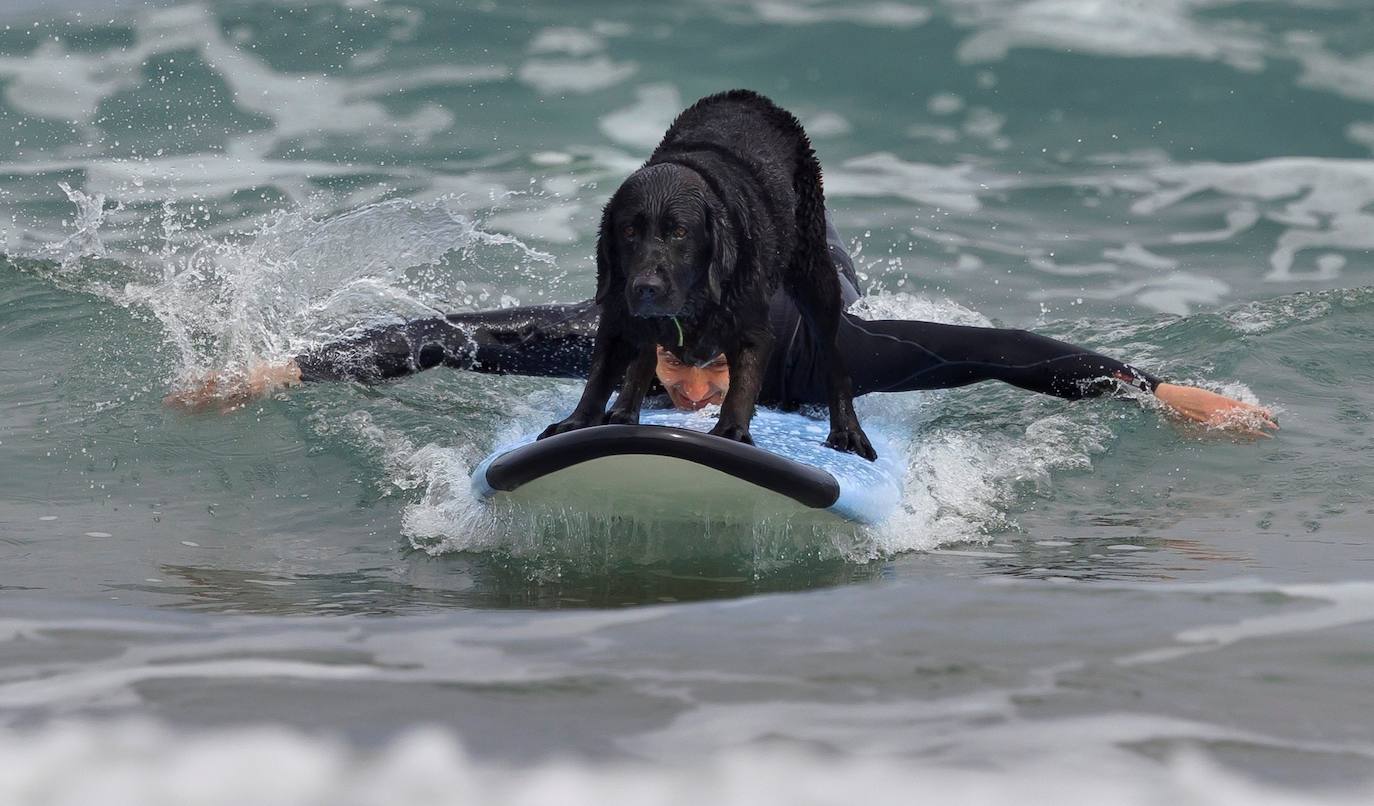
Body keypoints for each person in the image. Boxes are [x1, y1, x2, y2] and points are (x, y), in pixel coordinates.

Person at [167, 220, 1277, 437]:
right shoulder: (613, 332)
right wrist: (287, 370)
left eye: (711, 380)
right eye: (676, 373)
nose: (692, 396)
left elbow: (997, 354)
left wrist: (1152, 387)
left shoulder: (826, 359)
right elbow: (451, 334)